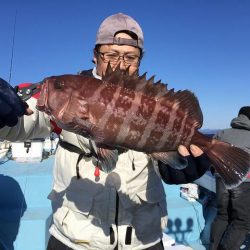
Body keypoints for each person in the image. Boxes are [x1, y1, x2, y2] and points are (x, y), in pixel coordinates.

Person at [0, 13, 210, 250]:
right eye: (111, 55)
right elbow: (21, 123)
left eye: (130, 57)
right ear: (95, 55)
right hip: (75, 238)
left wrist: (179, 166)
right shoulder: (66, 92)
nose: (120, 64)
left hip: (144, 239)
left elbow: (166, 155)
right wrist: (3, 113)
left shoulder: (150, 102)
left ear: (141, 59)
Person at [209, 106, 250, 250]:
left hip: (221, 179)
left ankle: (213, 247)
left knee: (222, 215)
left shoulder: (221, 133)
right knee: (242, 222)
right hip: (243, 183)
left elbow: (210, 155)